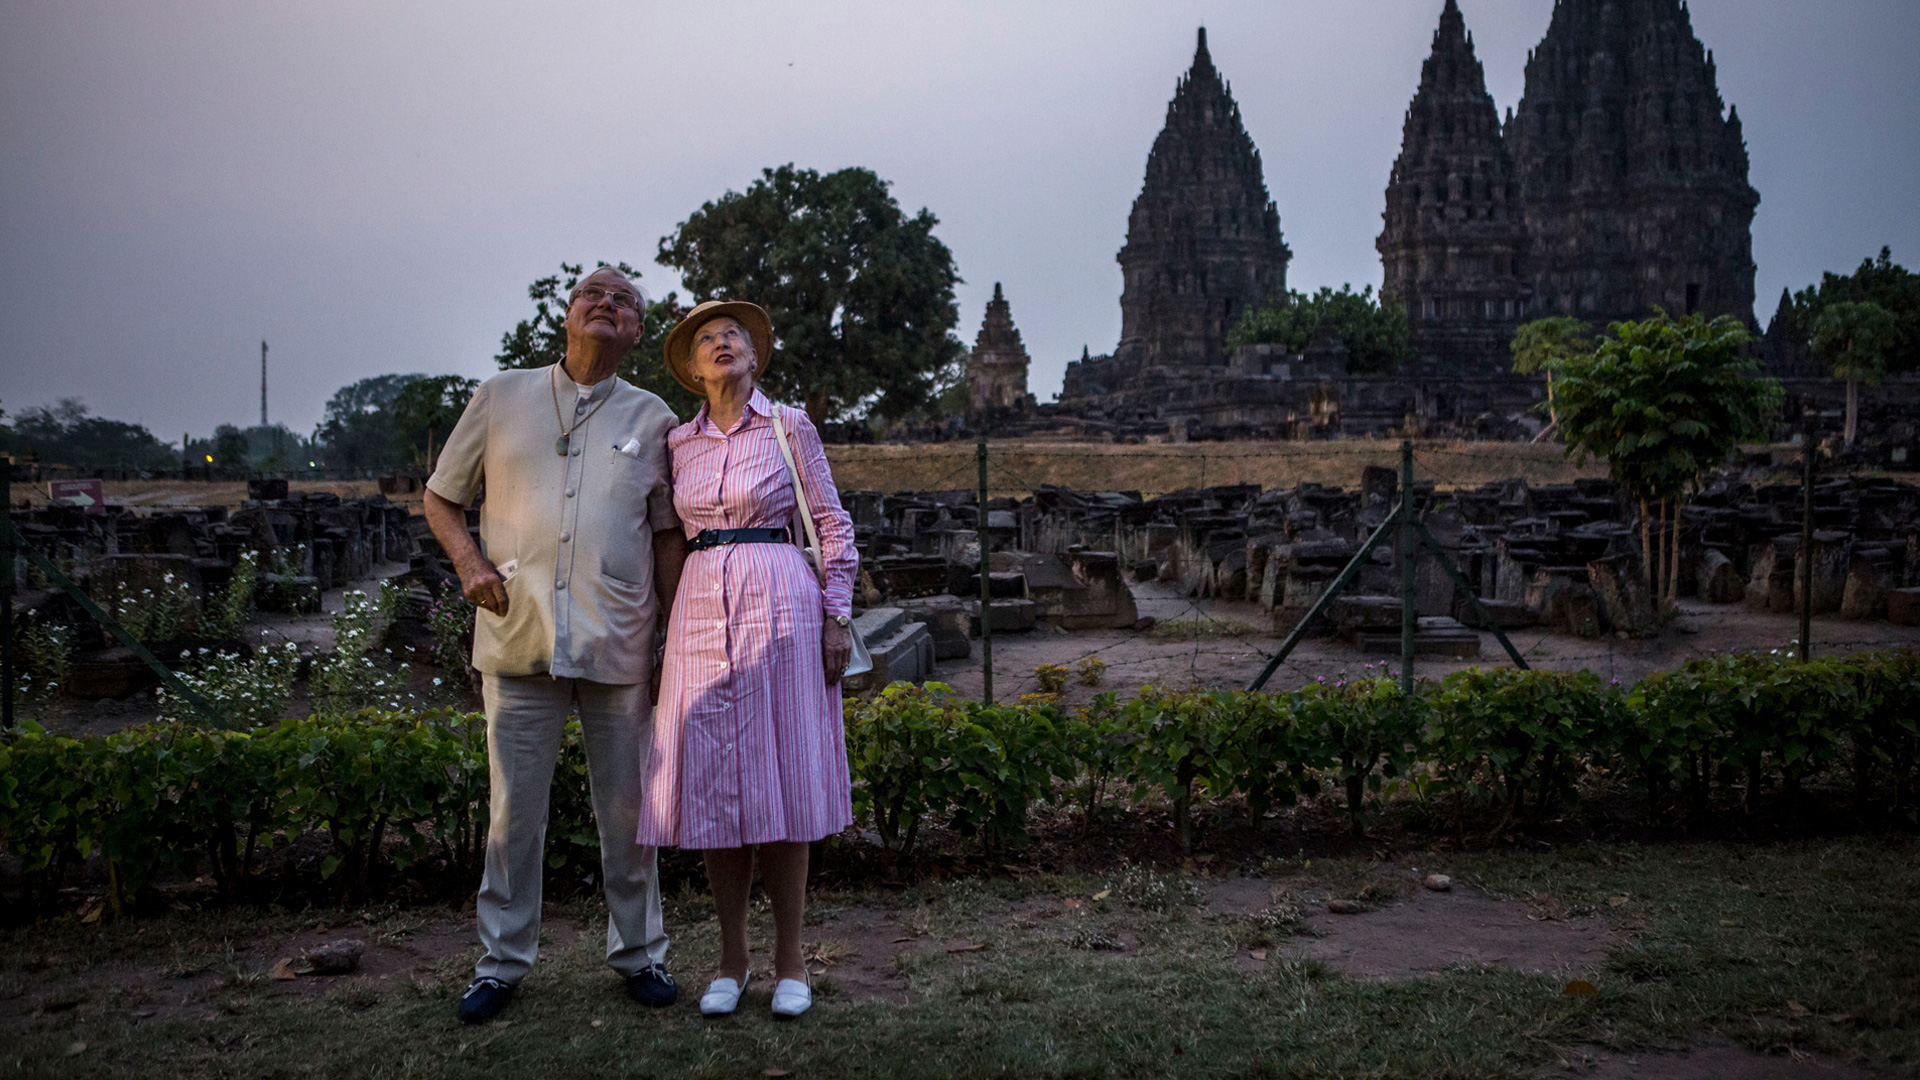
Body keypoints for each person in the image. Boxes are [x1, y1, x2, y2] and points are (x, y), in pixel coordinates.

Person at [424, 266, 687, 1025]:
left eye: (625, 302)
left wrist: (670, 634)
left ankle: (640, 954)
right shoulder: (502, 396)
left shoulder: (655, 417)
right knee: (513, 815)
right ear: (566, 316)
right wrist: (469, 563)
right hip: (517, 632)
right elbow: (441, 496)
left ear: (637, 333)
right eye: (593, 296)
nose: (607, 305)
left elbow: (667, 533)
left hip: (620, 638)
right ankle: (501, 962)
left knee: (628, 811)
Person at [638, 300, 857, 1020]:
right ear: (693, 370)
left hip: (782, 603)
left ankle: (792, 961)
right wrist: (665, 628)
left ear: (754, 356)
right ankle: (731, 960)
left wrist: (837, 617)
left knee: (783, 780)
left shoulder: (789, 426)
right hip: (701, 609)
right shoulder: (678, 444)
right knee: (713, 789)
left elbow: (830, 521)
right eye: (707, 340)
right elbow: (665, 536)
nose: (722, 343)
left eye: (733, 334)